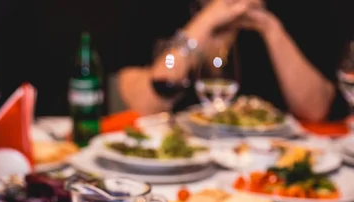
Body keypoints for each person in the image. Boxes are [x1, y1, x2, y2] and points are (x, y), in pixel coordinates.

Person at [116, 0, 351, 121]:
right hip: (183, 163)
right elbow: (151, 95)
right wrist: (203, 25)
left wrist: (270, 28)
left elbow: (316, 109)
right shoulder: (156, 8)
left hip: (268, 164)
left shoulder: (301, 9)